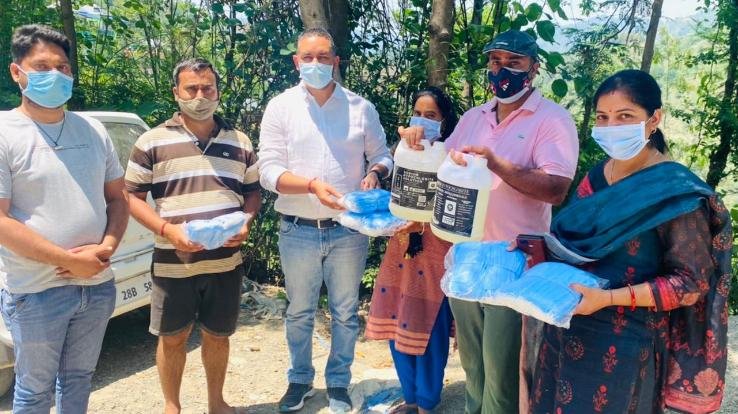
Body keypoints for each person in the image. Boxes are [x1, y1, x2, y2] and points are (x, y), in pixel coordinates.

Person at [530, 69, 732, 414]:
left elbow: (690, 284)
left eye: (625, 116)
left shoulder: (675, 195)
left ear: (654, 119)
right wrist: (529, 251)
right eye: (603, 117)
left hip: (624, 343)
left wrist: (606, 298)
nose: (611, 128)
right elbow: (573, 243)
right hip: (566, 324)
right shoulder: (596, 178)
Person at [403, 30, 580, 413]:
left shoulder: (551, 120)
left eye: (513, 62)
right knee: (472, 367)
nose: (503, 71)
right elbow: (441, 169)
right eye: (496, 61)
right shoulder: (473, 117)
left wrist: (496, 163)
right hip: (468, 258)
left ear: (533, 68)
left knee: (502, 374)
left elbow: (556, 188)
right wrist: (415, 147)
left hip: (515, 260)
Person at [258, 28, 393, 413]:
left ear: (336, 61)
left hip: (349, 231)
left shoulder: (360, 108)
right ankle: (299, 380)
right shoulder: (280, 107)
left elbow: (383, 155)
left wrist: (376, 174)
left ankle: (338, 383)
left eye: (323, 57)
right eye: (308, 58)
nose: (315, 64)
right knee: (299, 310)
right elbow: (268, 171)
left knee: (346, 312)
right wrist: (311, 185)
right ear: (296, 62)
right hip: (297, 229)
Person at [0, 24, 129, 412]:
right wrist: (69, 261)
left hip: (97, 284)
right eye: (42, 66)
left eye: (63, 66)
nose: (55, 74)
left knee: (78, 380)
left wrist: (105, 248)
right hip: (36, 291)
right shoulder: (5, 132)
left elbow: (118, 198)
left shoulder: (92, 130)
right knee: (34, 390)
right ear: (16, 72)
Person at [124, 58, 261, 414]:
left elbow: (252, 192)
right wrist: (168, 230)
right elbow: (131, 197)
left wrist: (245, 221)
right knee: (173, 338)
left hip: (224, 262)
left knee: (218, 336)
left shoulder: (239, 140)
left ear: (217, 91)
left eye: (208, 88)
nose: (200, 96)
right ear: (176, 93)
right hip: (174, 262)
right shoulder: (151, 141)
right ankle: (173, 407)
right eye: (192, 89)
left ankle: (217, 403)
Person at [365, 86, 459, 414]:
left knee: (428, 320)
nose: (422, 120)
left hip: (435, 247)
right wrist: (375, 175)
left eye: (431, 115)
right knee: (397, 316)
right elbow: (392, 177)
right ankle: (409, 398)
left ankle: (427, 403)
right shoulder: (404, 149)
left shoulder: (453, 154)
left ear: (445, 122)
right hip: (402, 246)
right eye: (418, 113)